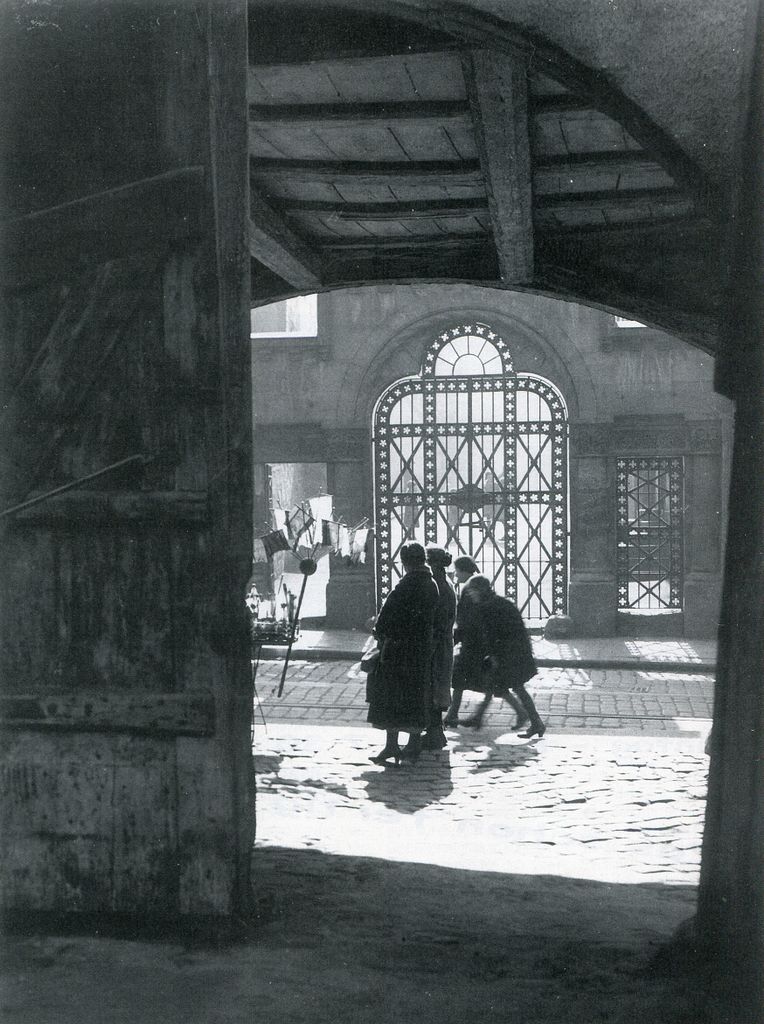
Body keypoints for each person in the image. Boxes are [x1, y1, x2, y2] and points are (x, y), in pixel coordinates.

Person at [366, 542, 439, 764]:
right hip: (421, 650)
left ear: (405, 562)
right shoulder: (431, 584)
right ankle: (413, 744)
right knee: (416, 697)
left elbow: (386, 619)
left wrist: (378, 632)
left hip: (398, 651)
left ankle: (391, 746)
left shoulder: (405, 584)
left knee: (392, 697)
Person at [444, 557, 528, 731]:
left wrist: (457, 638)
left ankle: (456, 714)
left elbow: (470, 619)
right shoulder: (476, 585)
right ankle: (473, 716)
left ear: (464, 571)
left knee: (468, 679)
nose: (456, 575)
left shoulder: (470, 589)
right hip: (478, 643)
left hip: (475, 644)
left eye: (457, 571)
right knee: (491, 683)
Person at [458, 575, 546, 737]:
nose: (470, 594)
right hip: (513, 652)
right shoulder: (498, 603)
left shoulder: (489, 607)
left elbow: (493, 635)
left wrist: (494, 655)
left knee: (513, 686)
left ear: (481, 590)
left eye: (473, 591)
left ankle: (535, 722)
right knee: (497, 685)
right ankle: (480, 717)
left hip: (509, 654)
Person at [421, 546, 457, 750]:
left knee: (433, 686)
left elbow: (437, 620)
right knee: (436, 686)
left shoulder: (438, 586)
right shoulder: (444, 582)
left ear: (432, 563)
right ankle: (435, 732)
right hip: (442, 643)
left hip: (436, 644)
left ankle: (435, 733)